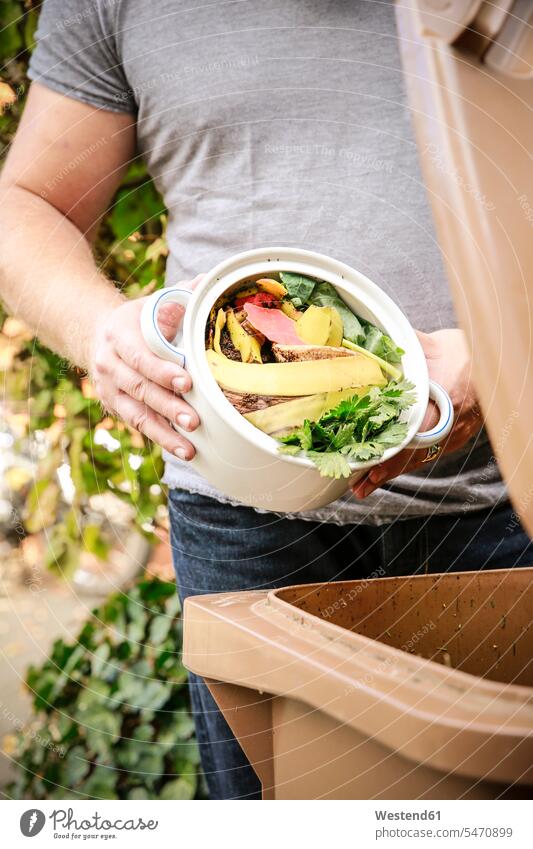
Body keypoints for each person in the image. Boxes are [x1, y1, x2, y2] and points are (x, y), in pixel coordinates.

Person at [0, 0, 531, 799]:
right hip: (239, 523)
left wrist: (498, 354)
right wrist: (97, 330)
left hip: (506, 502)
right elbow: (28, 202)